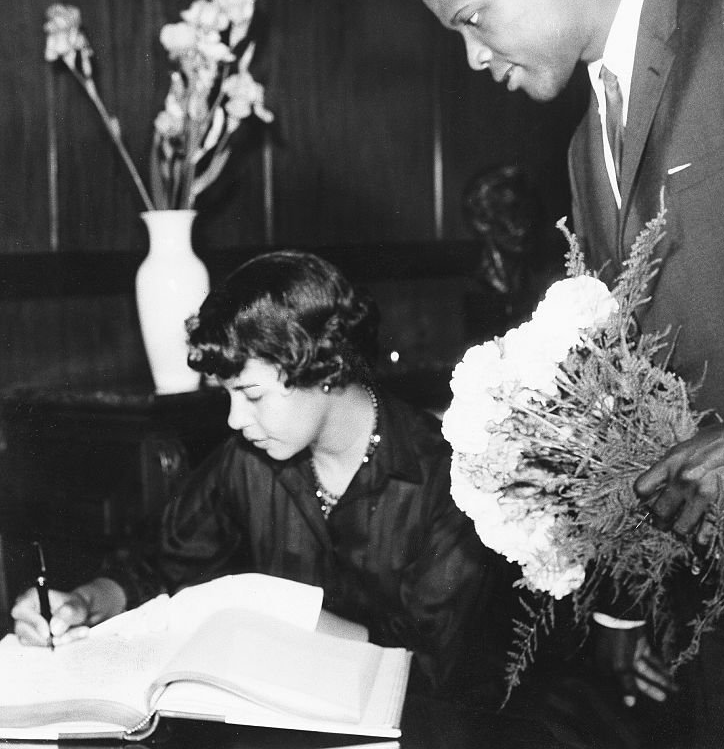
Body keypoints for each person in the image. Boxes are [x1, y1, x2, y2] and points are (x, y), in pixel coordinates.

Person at [399, 0, 724, 746]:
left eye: (473, 19)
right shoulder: (586, 150)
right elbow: (625, 398)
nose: (470, 56)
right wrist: (622, 608)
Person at [11, 250, 509, 695]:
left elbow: (432, 664)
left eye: (251, 395)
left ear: (327, 371)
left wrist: (278, 611)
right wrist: (82, 603)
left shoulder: (450, 475)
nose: (233, 419)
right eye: (226, 395)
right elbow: (157, 566)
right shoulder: (249, 459)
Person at [461, 163, 554, 340]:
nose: (522, 224)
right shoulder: (475, 289)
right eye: (508, 211)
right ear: (482, 220)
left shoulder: (539, 281)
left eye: (526, 210)